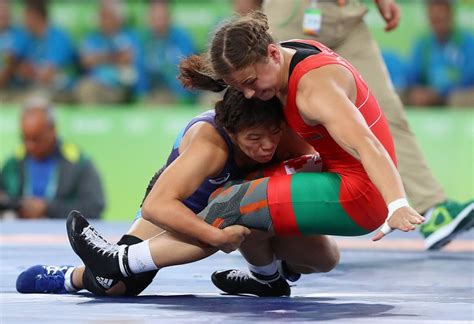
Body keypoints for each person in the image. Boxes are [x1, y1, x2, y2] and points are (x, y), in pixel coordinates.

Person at [62, 10, 430, 299]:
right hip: (336, 177)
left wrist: (396, 202)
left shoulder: (314, 89)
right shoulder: (285, 55)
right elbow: (247, 76)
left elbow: (367, 142)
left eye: (252, 84)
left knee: (226, 206)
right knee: (276, 219)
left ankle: (119, 261)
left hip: (358, 193)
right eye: (241, 88)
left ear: (272, 53)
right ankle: (268, 278)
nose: (251, 95)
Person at [17, 88, 330, 297]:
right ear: (232, 132)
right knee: (117, 286)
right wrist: (216, 238)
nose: (266, 146)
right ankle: (72, 275)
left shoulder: (283, 136)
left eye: (273, 134)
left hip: (234, 206)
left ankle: (268, 278)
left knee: (323, 259)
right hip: (181, 200)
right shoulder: (211, 145)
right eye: (254, 138)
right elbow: (158, 205)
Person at [261, 0, 473, 250]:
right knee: (271, 110)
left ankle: (431, 209)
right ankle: (256, 226)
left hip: (345, 12)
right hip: (295, 11)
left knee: (385, 108)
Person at [0, 96, 105, 219]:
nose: (30, 146)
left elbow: (95, 207)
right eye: (25, 139)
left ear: (53, 130)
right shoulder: (13, 162)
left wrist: (48, 208)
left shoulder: (78, 162)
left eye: (36, 139)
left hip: (61, 235)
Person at [75, 0, 145, 104]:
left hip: (120, 86)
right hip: (96, 83)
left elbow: (128, 58)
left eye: (107, 15)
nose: (102, 19)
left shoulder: (129, 36)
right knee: (84, 87)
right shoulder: (93, 38)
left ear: (118, 18)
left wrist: (99, 58)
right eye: (101, 15)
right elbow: (86, 60)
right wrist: (114, 57)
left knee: (87, 88)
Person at [405, 0, 474, 107]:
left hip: (456, 95)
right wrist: (420, 91)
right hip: (428, 97)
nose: (437, 21)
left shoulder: (467, 41)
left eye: (441, 18)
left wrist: (440, 93)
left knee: (460, 99)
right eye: (434, 19)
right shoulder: (423, 43)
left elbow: (470, 76)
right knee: (404, 96)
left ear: (450, 15)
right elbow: (412, 75)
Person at [12, 0, 77, 102]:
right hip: (33, 87)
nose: (23, 21)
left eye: (26, 17)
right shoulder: (27, 38)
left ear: (38, 17)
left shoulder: (58, 37)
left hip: (63, 90)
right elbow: (15, 66)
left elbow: (48, 74)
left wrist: (30, 72)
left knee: (33, 98)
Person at [143, 0, 197, 104]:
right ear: (148, 19)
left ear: (169, 17)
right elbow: (140, 69)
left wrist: (183, 97)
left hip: (181, 93)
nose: (158, 23)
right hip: (154, 92)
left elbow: (188, 70)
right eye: (154, 18)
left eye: (161, 18)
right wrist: (141, 94)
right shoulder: (143, 39)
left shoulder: (183, 38)